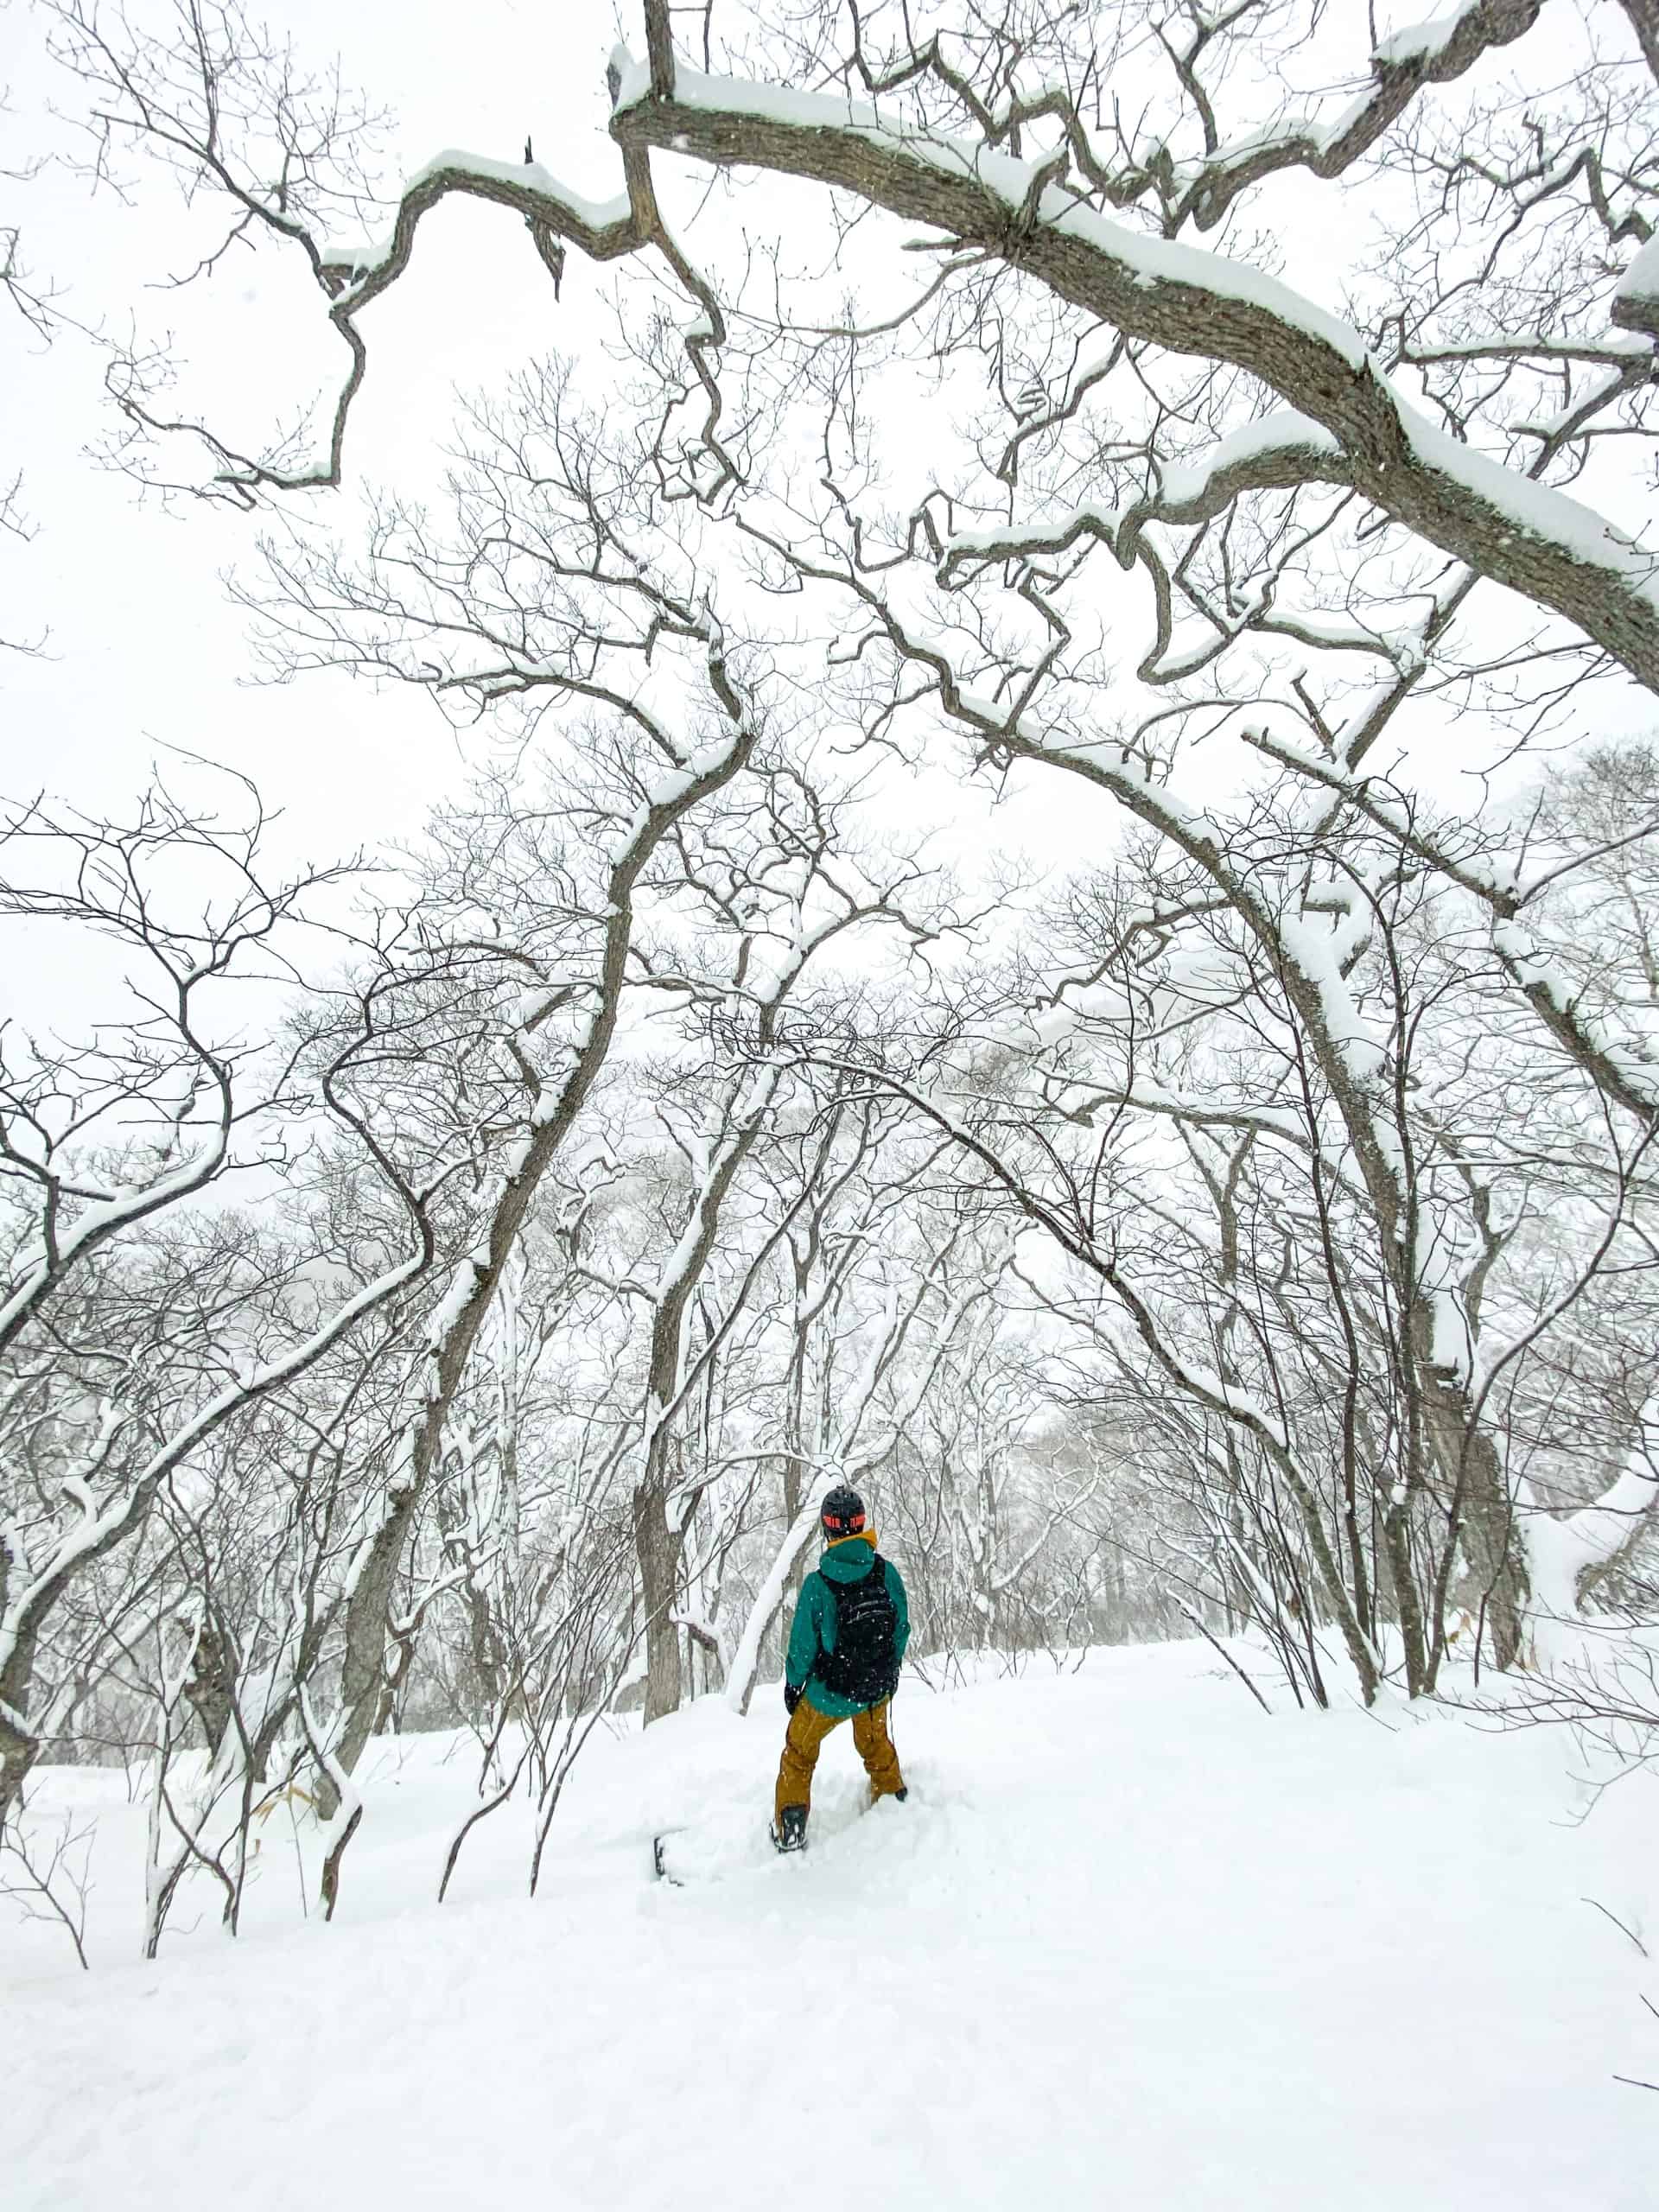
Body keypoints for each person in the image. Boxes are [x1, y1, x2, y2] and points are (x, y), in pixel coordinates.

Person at [772, 1485, 910, 1853]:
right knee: (875, 1743)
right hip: (875, 1689)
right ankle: (893, 1798)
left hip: (830, 1693)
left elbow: (802, 1647)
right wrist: (890, 1670)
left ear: (827, 1529)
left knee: (799, 1752)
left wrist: (793, 1685)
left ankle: (791, 1827)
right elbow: (901, 1627)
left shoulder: (819, 1585)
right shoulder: (885, 1573)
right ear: (861, 1524)